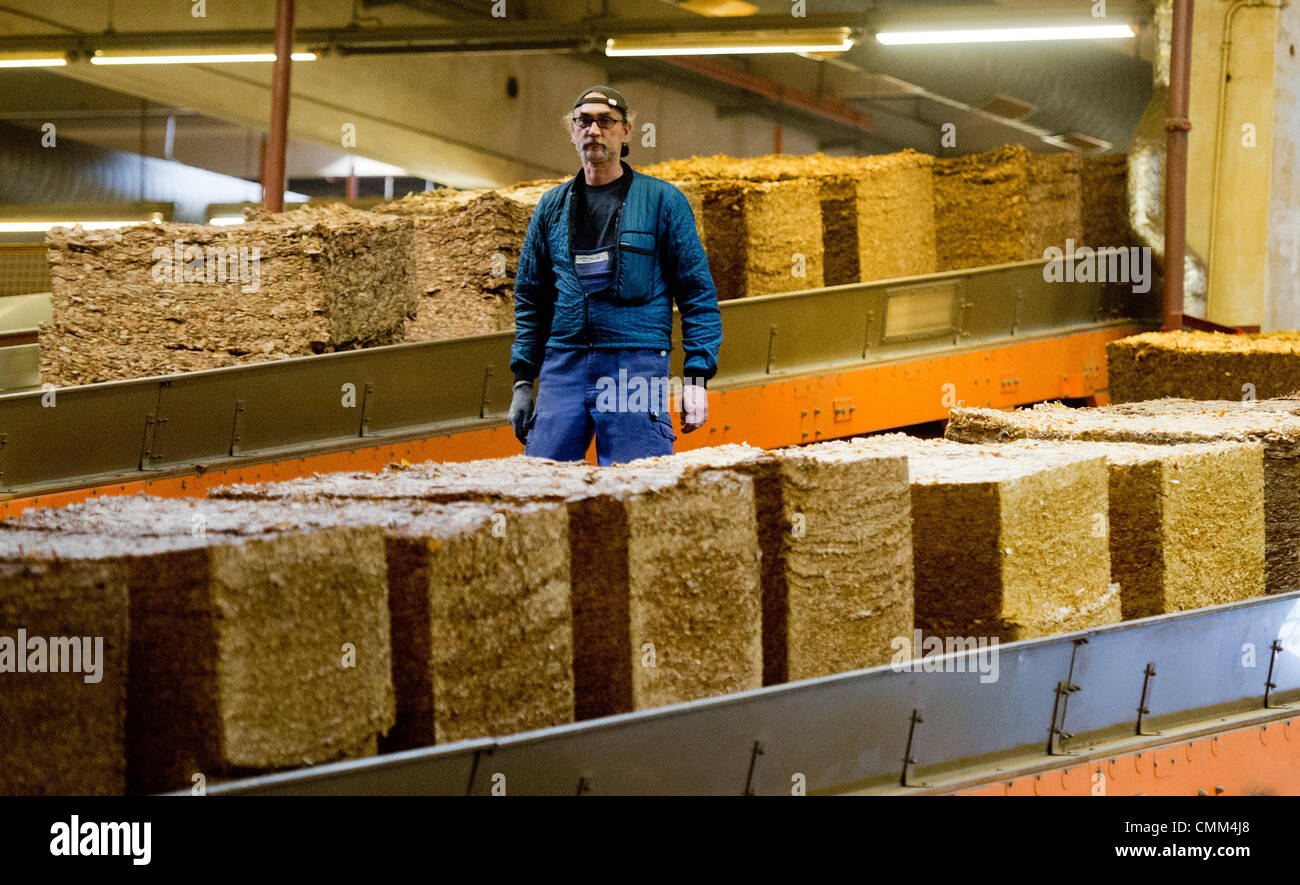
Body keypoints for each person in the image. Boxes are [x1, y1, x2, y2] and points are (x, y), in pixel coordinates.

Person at [507, 85, 722, 465]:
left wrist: (696, 379)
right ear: (572, 132)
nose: (594, 130)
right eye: (584, 122)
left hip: (634, 362)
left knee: (637, 487)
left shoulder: (662, 201)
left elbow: (697, 294)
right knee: (542, 483)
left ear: (626, 133)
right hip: (564, 363)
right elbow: (531, 297)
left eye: (606, 122)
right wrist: (523, 382)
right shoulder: (551, 207)